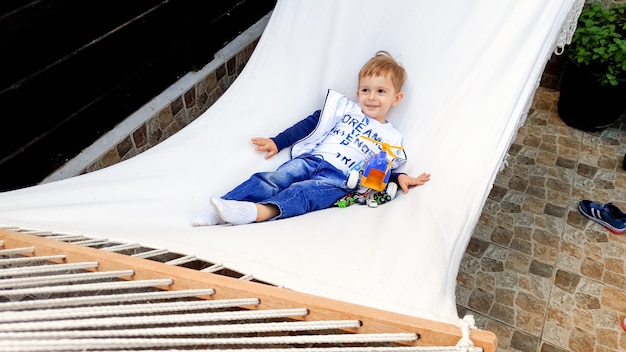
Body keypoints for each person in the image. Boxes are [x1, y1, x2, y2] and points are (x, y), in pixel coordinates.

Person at [192, 51, 430, 226]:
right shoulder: (347, 109)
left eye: (381, 91)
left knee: (304, 194)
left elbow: (380, 171)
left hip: (340, 178)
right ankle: (219, 209)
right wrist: (279, 141)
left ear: (396, 99)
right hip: (313, 159)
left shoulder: (391, 137)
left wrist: (399, 179)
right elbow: (312, 123)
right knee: (276, 177)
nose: (371, 97)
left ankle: (256, 212)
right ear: (358, 93)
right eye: (366, 90)